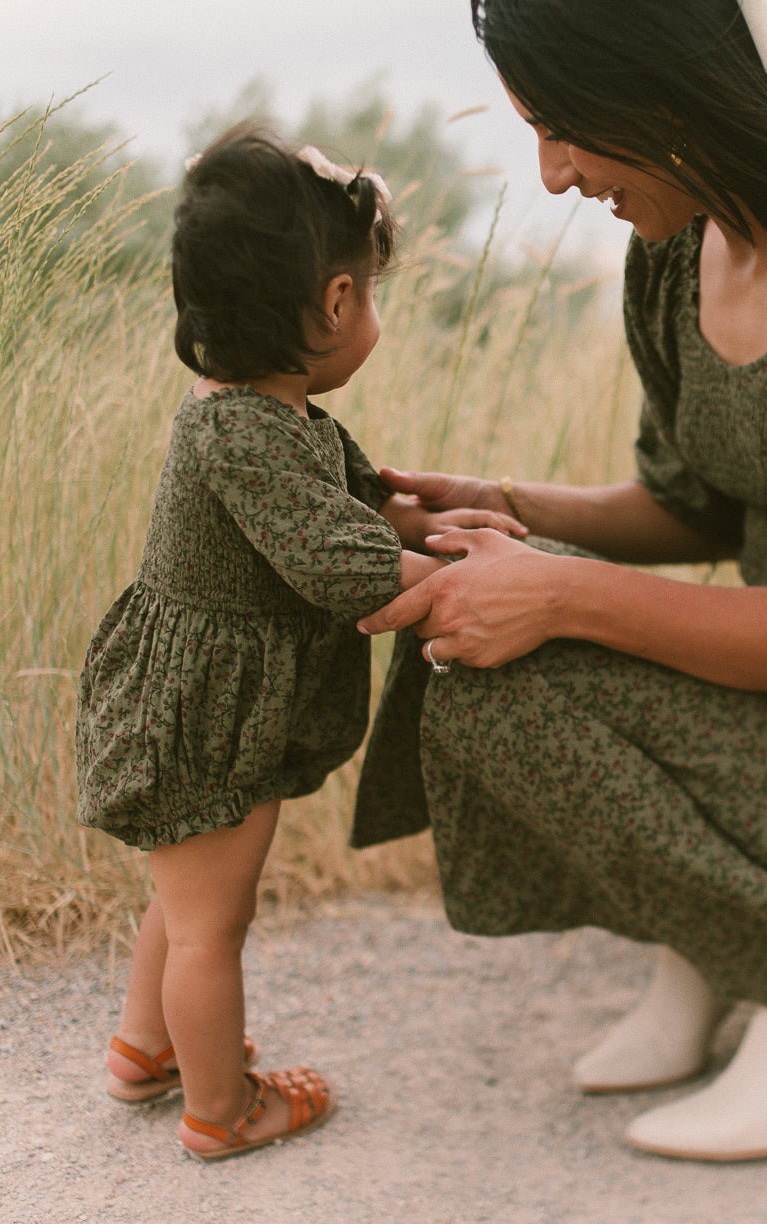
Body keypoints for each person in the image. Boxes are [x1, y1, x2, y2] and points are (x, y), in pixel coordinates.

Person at [353, 0, 767, 1161]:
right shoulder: (676, 256)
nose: (551, 175)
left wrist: (565, 594)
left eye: (568, 129)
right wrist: (501, 511)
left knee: (532, 611)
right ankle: (718, 944)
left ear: (664, 85)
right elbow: (692, 506)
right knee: (473, 631)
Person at [76, 125, 521, 1162]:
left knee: (182, 897)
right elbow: (345, 567)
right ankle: (222, 1113)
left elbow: (352, 509)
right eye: (370, 291)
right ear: (332, 303)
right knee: (207, 929)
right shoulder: (239, 432)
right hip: (202, 716)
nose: (372, 311)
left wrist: (431, 525)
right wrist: (467, 580)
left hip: (211, 704)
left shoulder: (276, 414)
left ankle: (149, 1050)